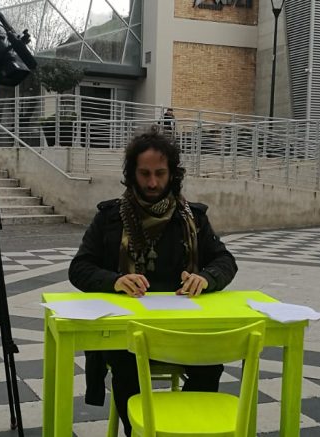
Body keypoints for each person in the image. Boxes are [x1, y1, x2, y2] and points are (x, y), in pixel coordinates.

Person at [68, 127, 238, 436]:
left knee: (210, 365)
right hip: (127, 332)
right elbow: (79, 268)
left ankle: (183, 430)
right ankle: (138, 431)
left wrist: (205, 278)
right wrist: (116, 281)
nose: (152, 183)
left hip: (184, 330)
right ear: (131, 173)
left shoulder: (193, 218)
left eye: (160, 173)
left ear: (172, 174)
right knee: (125, 367)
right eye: (144, 173)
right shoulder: (109, 218)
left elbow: (225, 261)